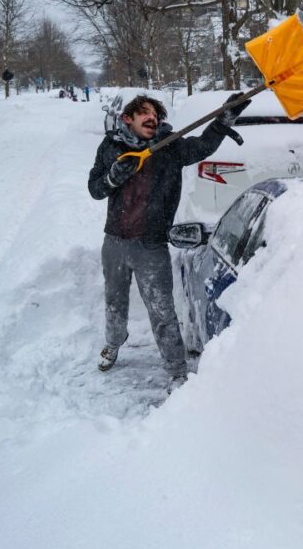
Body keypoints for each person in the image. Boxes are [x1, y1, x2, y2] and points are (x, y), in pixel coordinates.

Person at [87, 94, 249, 393]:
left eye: (156, 115)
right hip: (115, 242)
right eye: (144, 114)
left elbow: (203, 145)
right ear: (128, 119)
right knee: (114, 302)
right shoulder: (111, 147)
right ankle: (113, 344)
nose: (152, 119)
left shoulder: (169, 148)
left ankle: (176, 370)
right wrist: (112, 178)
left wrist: (226, 118)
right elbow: (95, 188)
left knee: (162, 311)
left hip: (151, 246)